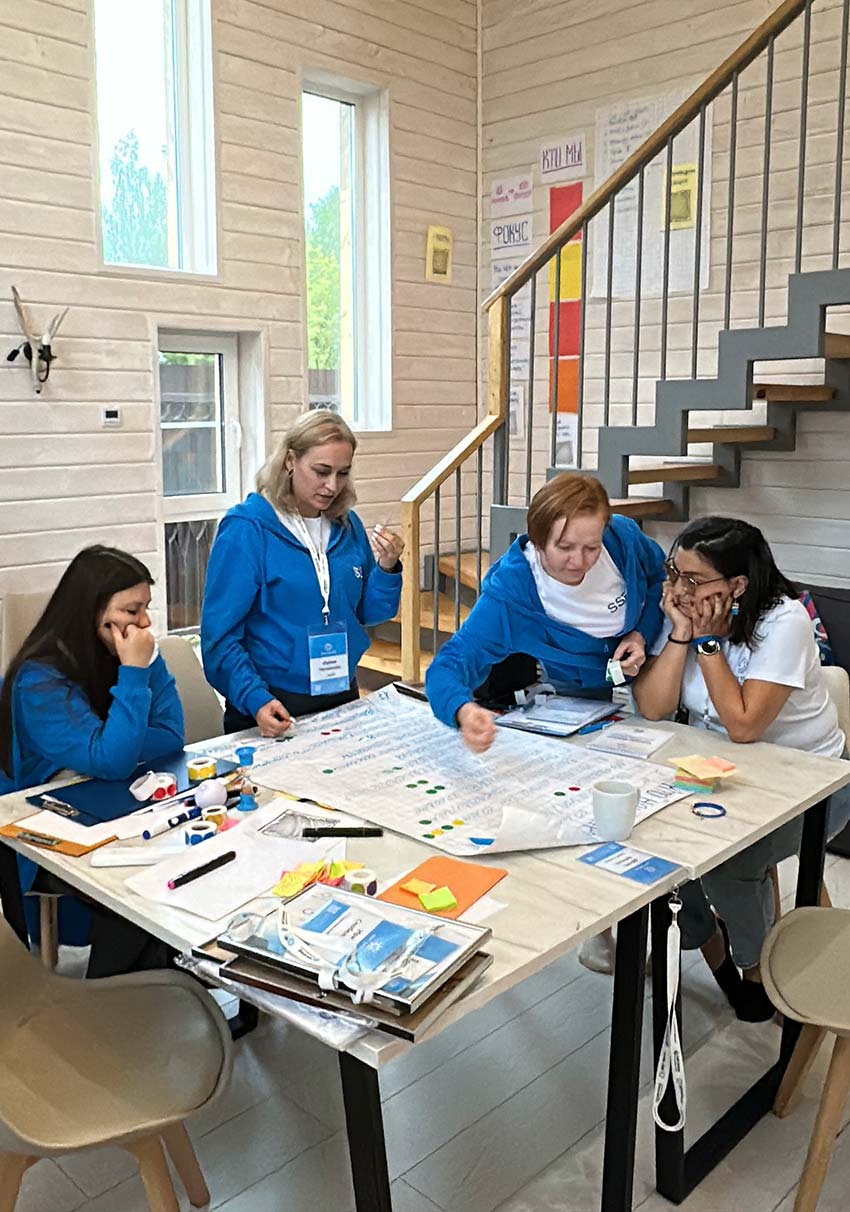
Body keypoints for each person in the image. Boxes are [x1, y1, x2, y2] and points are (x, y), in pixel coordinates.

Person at [633, 515, 850, 1021]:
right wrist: (681, 635)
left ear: (737, 586)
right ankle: (713, 945)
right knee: (654, 847)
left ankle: (754, 970)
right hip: (721, 775)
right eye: (674, 573)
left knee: (731, 862)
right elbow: (654, 707)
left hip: (813, 784)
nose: (678, 590)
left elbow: (745, 724)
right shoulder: (686, 611)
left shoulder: (784, 621)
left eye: (693, 579)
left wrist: (708, 643)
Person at [0, 545, 184, 976]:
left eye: (146, 609)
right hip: (41, 834)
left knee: (189, 860)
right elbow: (114, 759)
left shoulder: (123, 655)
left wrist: (145, 668)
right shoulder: (38, 681)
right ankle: (116, 995)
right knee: (139, 894)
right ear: (92, 613)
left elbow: (171, 735)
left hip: (111, 805)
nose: (144, 623)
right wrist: (134, 677)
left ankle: (164, 981)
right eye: (132, 611)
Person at [426, 472, 666, 752]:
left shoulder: (623, 537)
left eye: (592, 547)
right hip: (582, 683)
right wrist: (462, 710)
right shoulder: (510, 596)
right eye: (564, 548)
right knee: (584, 751)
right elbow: (448, 665)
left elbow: (659, 578)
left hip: (651, 657)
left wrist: (641, 634)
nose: (579, 561)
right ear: (537, 542)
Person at [201, 410, 404, 735]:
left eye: (343, 473)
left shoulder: (347, 525)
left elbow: (371, 613)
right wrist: (254, 698)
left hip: (341, 694)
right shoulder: (247, 530)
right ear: (290, 461)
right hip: (270, 703)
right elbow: (219, 638)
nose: (332, 485)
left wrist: (387, 568)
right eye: (321, 471)